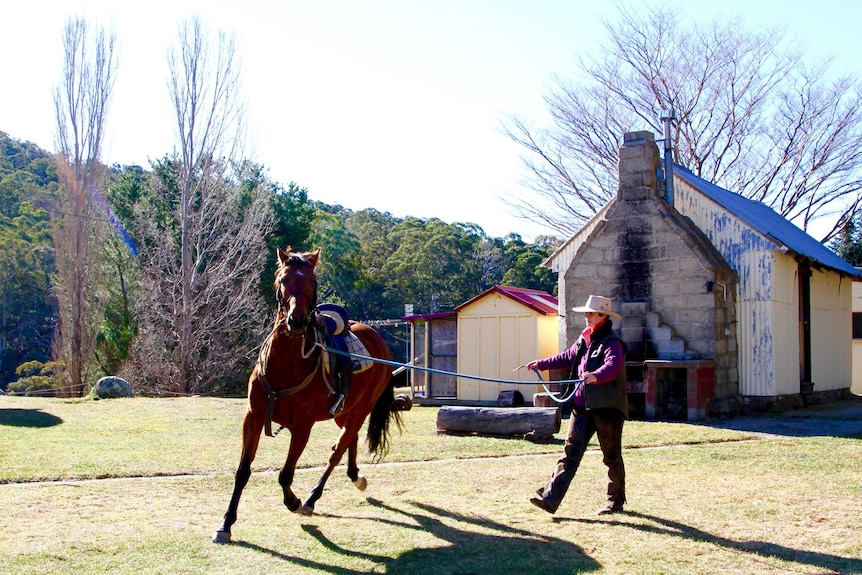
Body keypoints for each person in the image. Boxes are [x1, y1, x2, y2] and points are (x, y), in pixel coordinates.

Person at [527, 294, 629, 516]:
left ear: (603, 316)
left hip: (607, 408)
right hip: (581, 407)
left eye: (591, 313)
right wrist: (541, 364)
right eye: (586, 313)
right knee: (570, 454)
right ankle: (550, 499)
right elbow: (567, 357)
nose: (586, 316)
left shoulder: (612, 342)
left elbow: (614, 365)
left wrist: (596, 375)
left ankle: (615, 501)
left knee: (611, 457)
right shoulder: (584, 339)